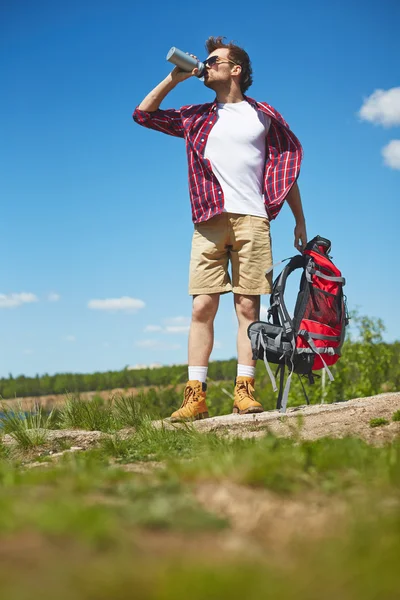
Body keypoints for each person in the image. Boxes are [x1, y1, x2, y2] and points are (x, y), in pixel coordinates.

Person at [133, 36, 307, 421]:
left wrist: (299, 219)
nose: (206, 65)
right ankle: (194, 396)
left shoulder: (264, 115)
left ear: (236, 70)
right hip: (209, 220)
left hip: (253, 219)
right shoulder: (196, 116)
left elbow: (285, 169)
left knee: (248, 306)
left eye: (214, 60)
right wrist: (174, 79)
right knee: (202, 306)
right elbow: (143, 115)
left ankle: (244, 390)